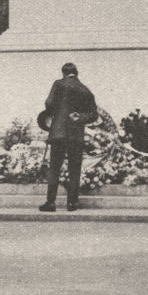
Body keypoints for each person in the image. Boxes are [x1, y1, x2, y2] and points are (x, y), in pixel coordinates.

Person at [39, 62, 98, 213]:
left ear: (63, 73)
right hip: (75, 134)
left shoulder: (58, 84)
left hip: (58, 133)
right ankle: (72, 202)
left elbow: (49, 103)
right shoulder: (85, 89)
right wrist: (80, 117)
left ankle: (50, 202)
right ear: (76, 73)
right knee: (74, 169)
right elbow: (93, 114)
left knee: (54, 168)